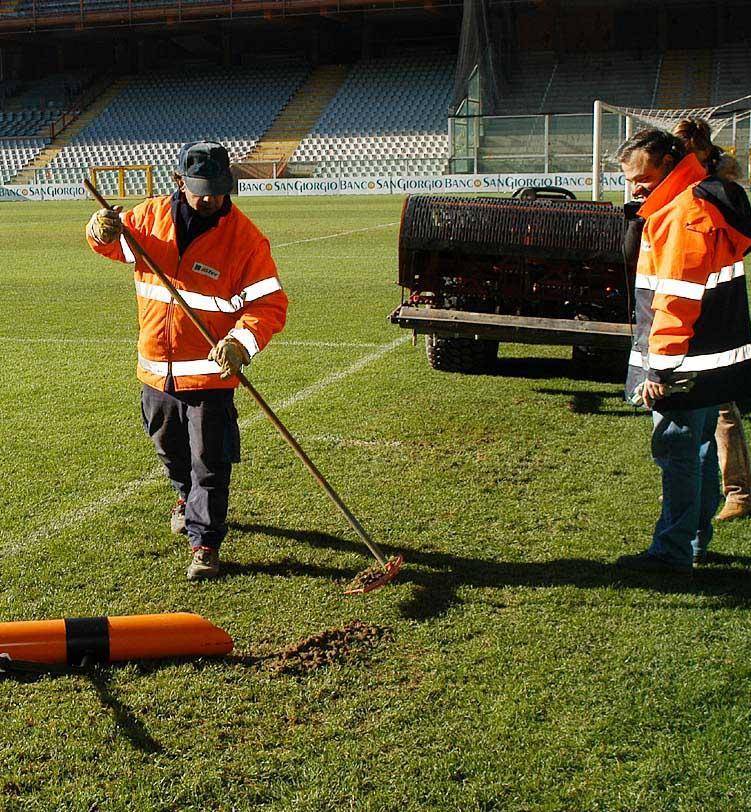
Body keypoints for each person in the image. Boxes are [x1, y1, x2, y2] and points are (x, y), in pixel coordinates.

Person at [86, 141, 288, 581]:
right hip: (155, 369)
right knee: (169, 448)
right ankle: (183, 496)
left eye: (217, 189)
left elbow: (269, 306)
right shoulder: (147, 218)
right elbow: (110, 244)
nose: (209, 199)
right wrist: (99, 230)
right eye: (200, 189)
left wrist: (240, 343)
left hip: (211, 377)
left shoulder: (246, 240)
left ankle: (204, 543)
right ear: (179, 182)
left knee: (209, 462)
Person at [617, 128, 751, 574]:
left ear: (671, 164)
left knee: (678, 453)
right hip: (710, 362)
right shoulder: (707, 197)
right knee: (699, 452)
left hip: (684, 364)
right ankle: (694, 542)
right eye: (630, 179)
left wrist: (660, 371)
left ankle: (672, 552)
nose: (636, 188)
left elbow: (675, 300)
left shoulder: (681, 211)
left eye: (643, 178)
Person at [672, 118, 751, 521]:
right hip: (689, 310)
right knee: (708, 410)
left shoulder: (722, 193)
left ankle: (736, 492)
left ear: (699, 152)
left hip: (716, 315)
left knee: (720, 406)